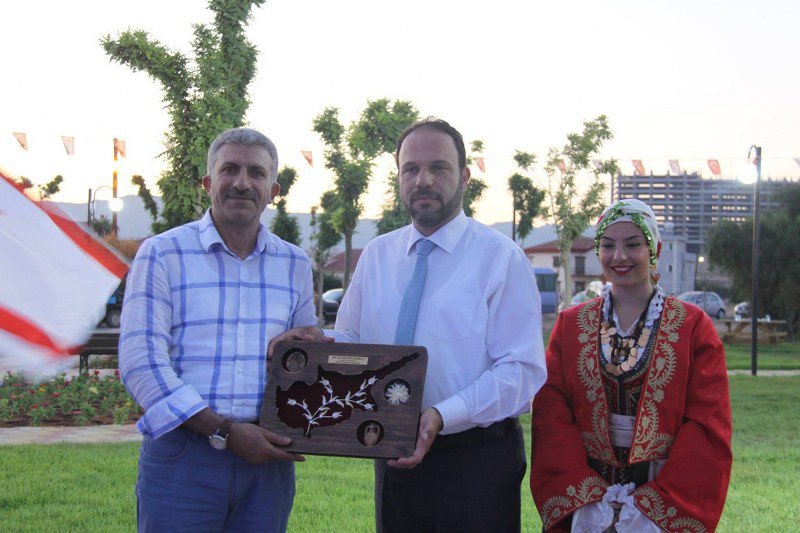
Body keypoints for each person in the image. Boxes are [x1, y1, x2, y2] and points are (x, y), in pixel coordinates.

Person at [279, 117, 547, 532]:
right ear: (399, 177)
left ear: (465, 177)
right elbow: (353, 339)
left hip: (476, 458)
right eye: (411, 169)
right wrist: (317, 343)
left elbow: (521, 371)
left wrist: (441, 414)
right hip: (391, 449)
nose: (423, 180)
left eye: (439, 167)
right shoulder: (378, 255)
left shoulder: (501, 259)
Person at [120, 127, 325, 532]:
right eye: (229, 169)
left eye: (256, 173)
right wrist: (226, 432)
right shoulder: (162, 254)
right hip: (183, 457)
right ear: (208, 182)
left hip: (268, 461)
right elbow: (140, 364)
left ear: (274, 190)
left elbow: (305, 353)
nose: (242, 182)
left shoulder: (295, 263)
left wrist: (310, 346)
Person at [530, 199, 732, 532]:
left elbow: (707, 423)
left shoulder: (693, 326)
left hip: (663, 489)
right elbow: (552, 414)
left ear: (655, 249)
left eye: (633, 244)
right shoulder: (570, 325)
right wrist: (590, 502)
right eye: (608, 245)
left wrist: (653, 507)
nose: (619, 256)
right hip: (589, 496)